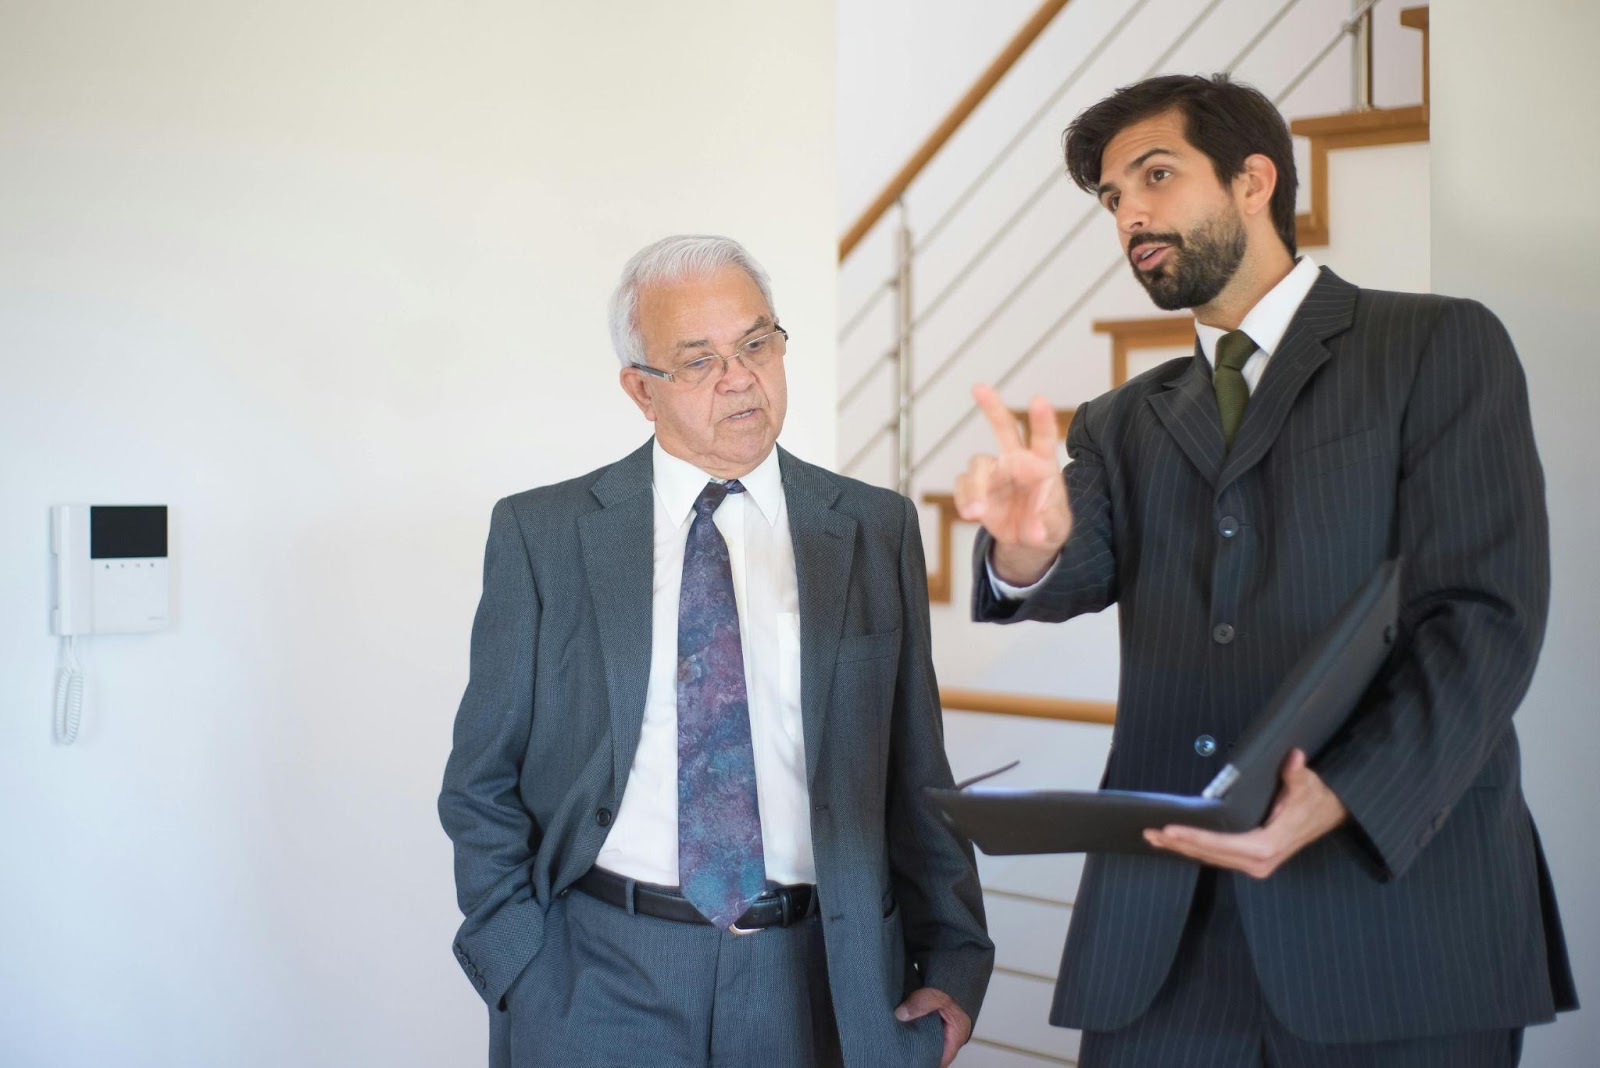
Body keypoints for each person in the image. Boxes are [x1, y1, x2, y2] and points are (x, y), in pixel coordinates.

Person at [955, 74, 1575, 1065]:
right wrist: (1026, 546)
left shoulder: (1433, 345)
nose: (1131, 215)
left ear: (1255, 180)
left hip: (1392, 916)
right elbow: (1069, 571)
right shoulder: (1121, 421)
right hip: (1165, 944)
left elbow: (1484, 617)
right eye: (1112, 198)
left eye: (1154, 176)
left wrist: (1340, 793)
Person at [440, 234, 992, 1068]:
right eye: (698, 362)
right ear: (641, 390)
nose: (740, 378)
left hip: (819, 974)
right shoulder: (543, 534)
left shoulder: (874, 529)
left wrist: (953, 961)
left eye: (757, 344)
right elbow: (481, 779)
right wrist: (519, 964)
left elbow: (917, 769)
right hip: (598, 975)